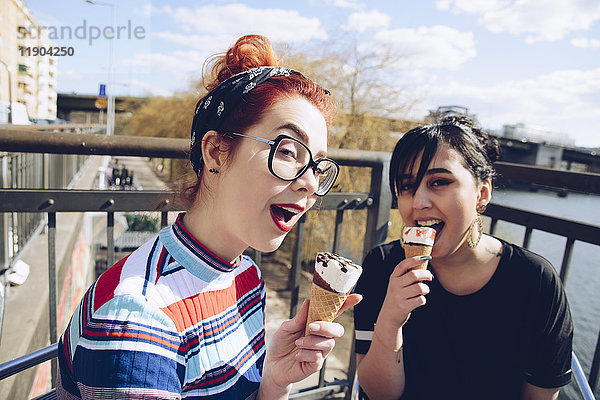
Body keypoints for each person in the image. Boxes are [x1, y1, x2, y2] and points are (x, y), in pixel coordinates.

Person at [56, 34, 361, 399]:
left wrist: (276, 380)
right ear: (216, 152)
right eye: (288, 151)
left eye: (317, 165)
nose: (309, 184)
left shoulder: (246, 277)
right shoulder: (136, 320)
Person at [353, 115, 573, 399]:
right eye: (407, 186)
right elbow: (380, 394)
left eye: (440, 182)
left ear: (482, 193)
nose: (418, 202)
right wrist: (389, 323)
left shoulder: (535, 282)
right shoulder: (382, 266)